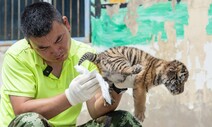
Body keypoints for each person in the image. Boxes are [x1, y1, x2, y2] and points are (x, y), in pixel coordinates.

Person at [0, 2, 142, 127]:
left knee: (123, 121)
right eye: (43, 48)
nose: (56, 51)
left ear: (66, 24)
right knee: (32, 121)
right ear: (30, 45)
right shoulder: (17, 56)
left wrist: (117, 88)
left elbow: (95, 110)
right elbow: (21, 110)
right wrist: (70, 97)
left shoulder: (86, 54)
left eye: (59, 39)